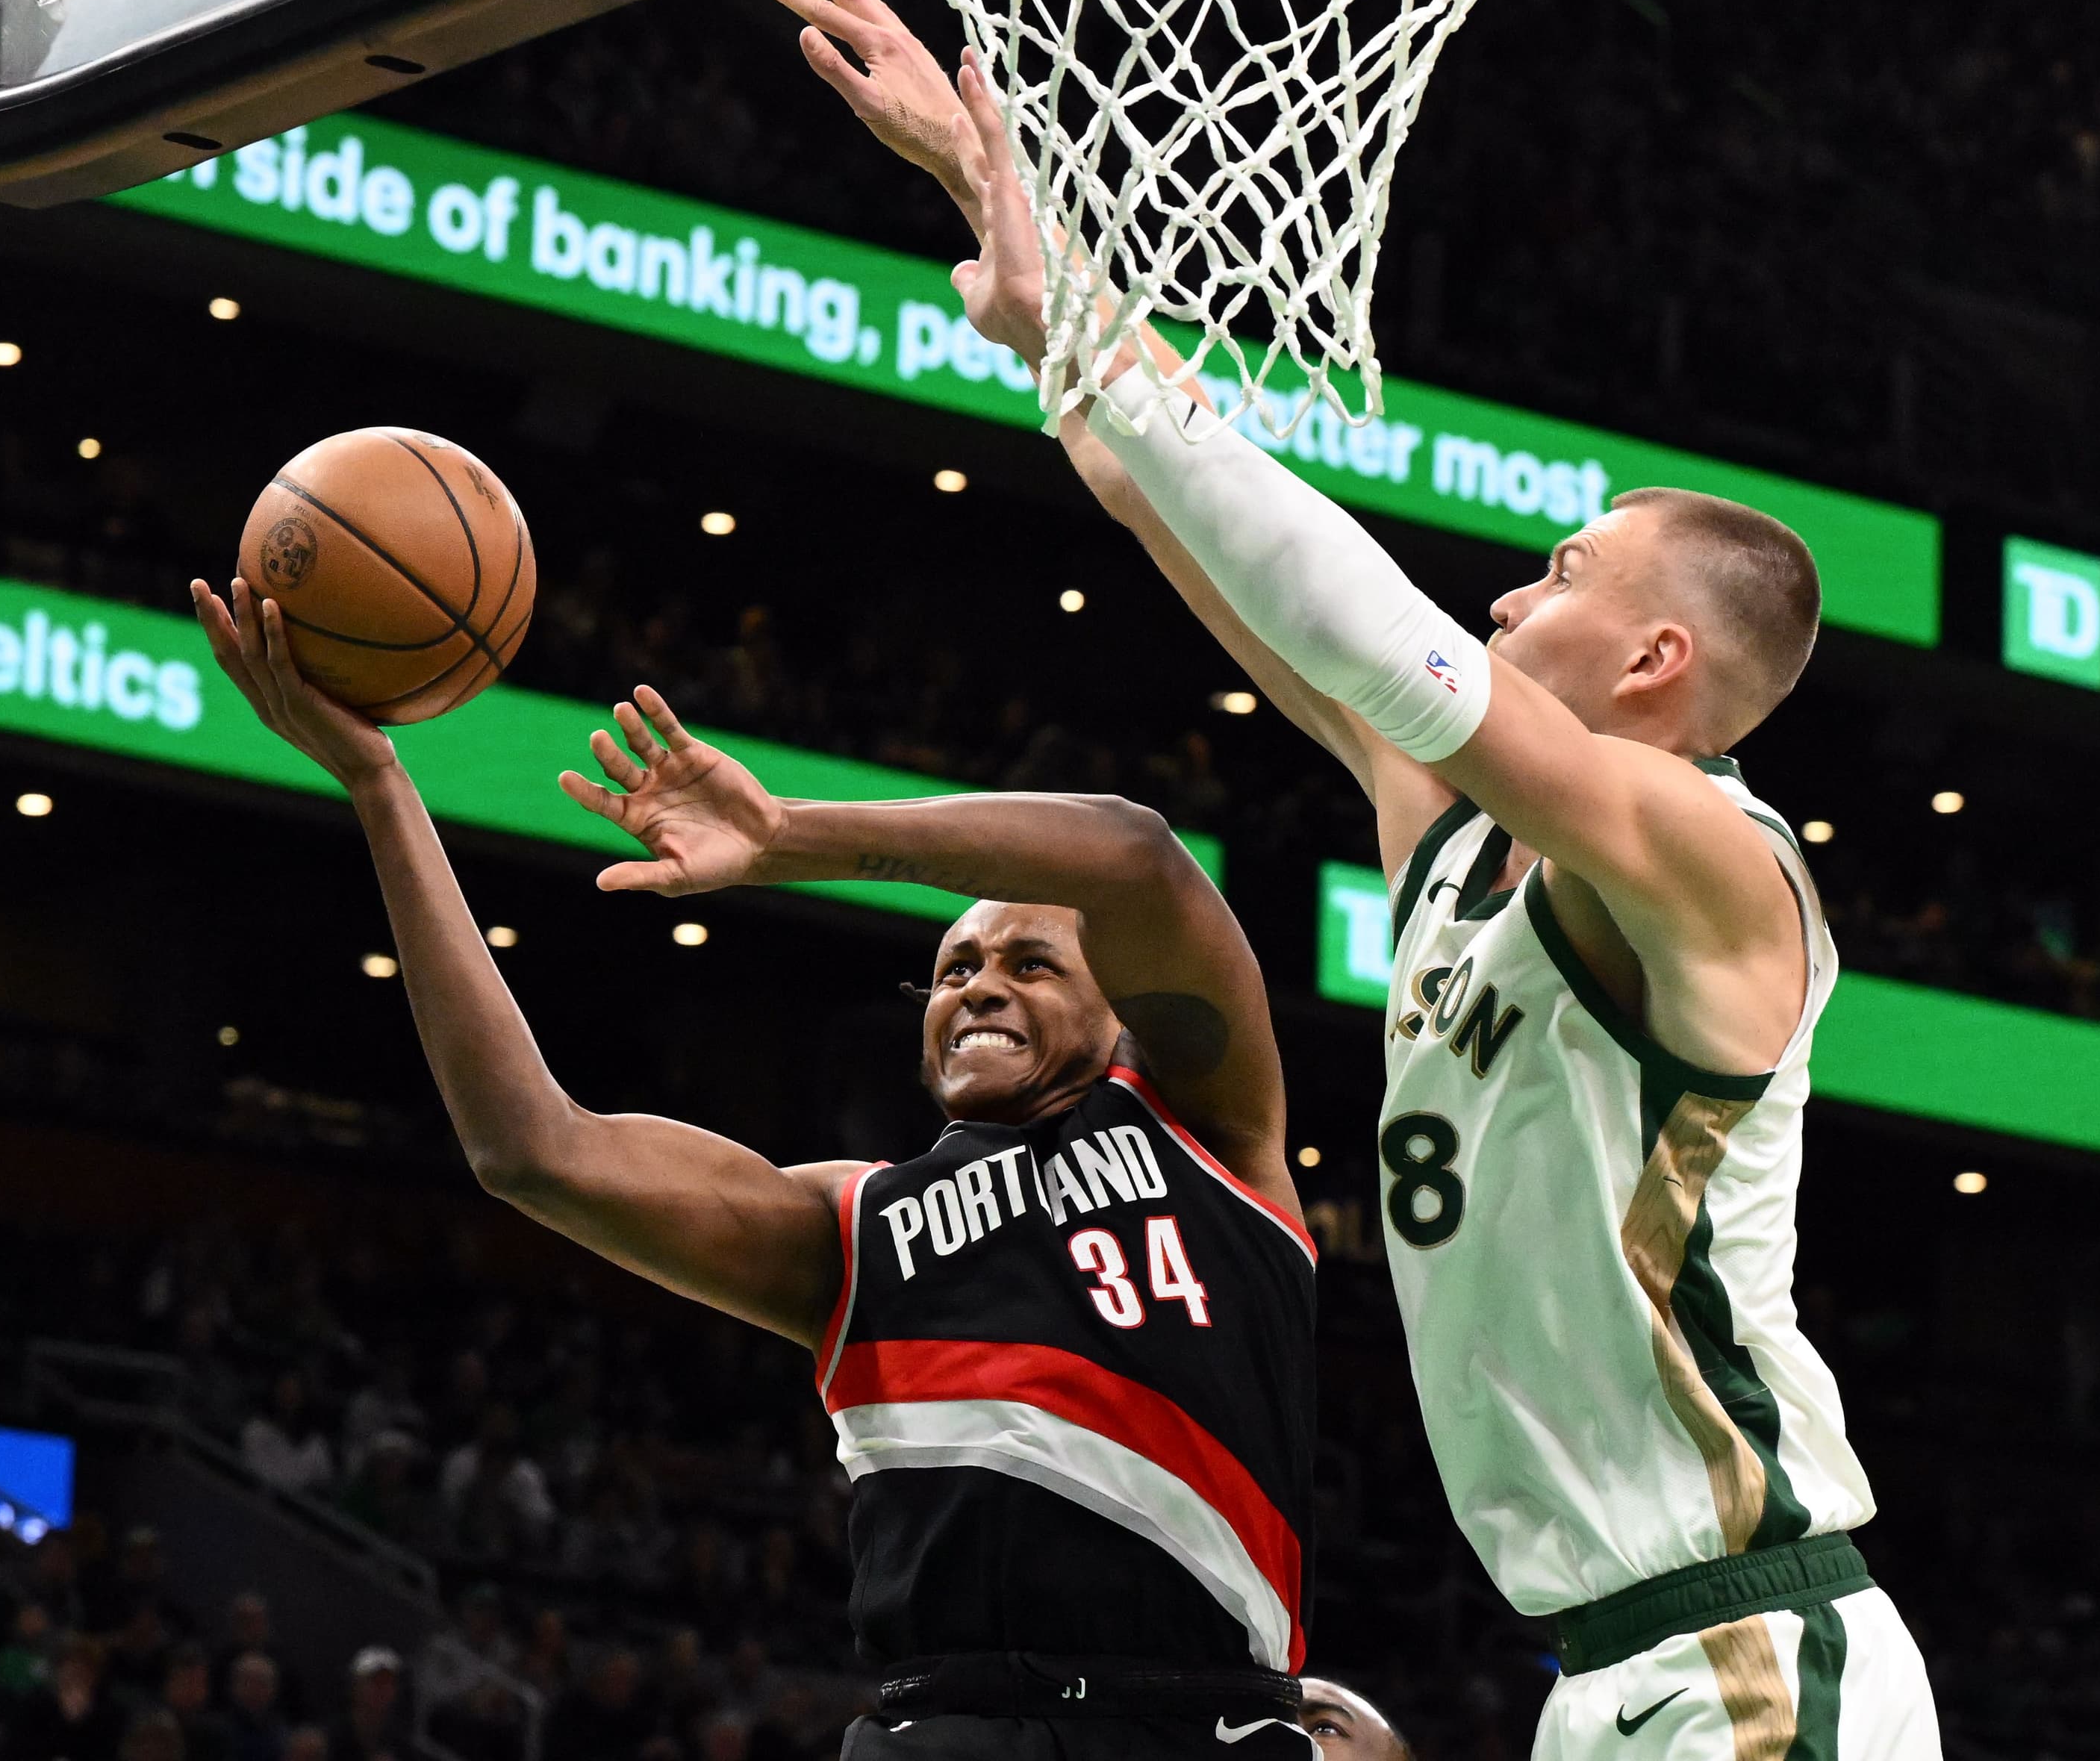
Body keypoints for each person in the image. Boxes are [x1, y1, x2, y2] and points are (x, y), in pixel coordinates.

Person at [769, 0, 1942, 1761]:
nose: (1507, 589)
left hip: (1757, 1653)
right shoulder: (1465, 850)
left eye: (1558, 573)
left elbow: (1376, 628)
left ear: (1657, 667)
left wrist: (1077, 308)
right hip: (1603, 1665)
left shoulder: (1719, 863)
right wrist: (1010, 242)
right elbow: (1208, 534)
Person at [190, 586, 1318, 1761]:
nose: (978, 985)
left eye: (1031, 961)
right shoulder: (857, 1224)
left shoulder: (1205, 1127)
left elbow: (1139, 857)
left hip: (1196, 1727)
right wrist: (384, 792)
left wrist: (787, 837)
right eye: (953, 969)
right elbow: (533, 1149)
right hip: (935, 1729)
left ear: (1122, 1010)